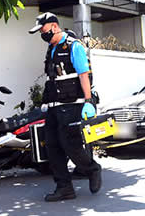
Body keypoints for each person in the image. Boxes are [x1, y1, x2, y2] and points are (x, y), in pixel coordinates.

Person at [28, 12, 102, 202]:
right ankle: (64, 188)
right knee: (52, 147)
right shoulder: (51, 49)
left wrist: (88, 101)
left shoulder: (73, 46)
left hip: (72, 105)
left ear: (53, 26)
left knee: (71, 146)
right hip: (54, 107)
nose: (41, 34)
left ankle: (92, 169)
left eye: (42, 30)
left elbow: (83, 75)